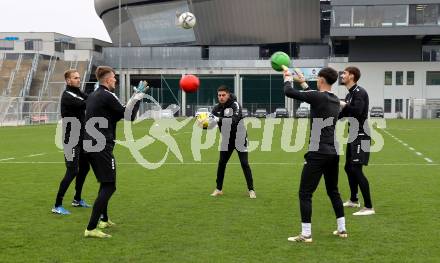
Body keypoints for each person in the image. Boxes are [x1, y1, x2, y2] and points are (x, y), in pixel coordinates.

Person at [283, 67, 347, 243]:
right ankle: (342, 229)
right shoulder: (334, 99)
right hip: (333, 151)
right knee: (333, 191)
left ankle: (306, 234)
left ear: (321, 80)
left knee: (305, 193)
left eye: (317, 78)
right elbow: (315, 96)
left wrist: (287, 77)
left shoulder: (318, 97)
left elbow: (288, 92)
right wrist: (303, 82)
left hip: (317, 152)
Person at [83, 66, 147, 238]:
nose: (115, 81)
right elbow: (129, 116)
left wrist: (134, 98)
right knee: (110, 186)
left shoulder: (94, 95)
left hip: (89, 144)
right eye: (113, 78)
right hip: (100, 145)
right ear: (107, 79)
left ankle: (103, 219)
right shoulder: (107, 95)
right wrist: (138, 97)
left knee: (104, 184)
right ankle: (91, 228)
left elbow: (119, 112)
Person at [52, 69, 91, 215]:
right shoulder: (68, 96)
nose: (78, 80)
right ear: (68, 80)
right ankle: (57, 205)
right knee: (73, 170)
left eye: (79, 77)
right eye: (75, 78)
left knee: (85, 167)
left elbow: (89, 98)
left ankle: (77, 199)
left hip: (81, 137)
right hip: (71, 139)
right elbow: (87, 103)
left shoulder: (77, 92)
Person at [339, 66, 375, 216]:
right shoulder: (349, 95)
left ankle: (369, 207)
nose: (342, 75)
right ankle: (354, 200)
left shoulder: (360, 92)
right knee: (348, 167)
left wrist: (343, 104)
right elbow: (343, 114)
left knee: (356, 169)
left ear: (352, 76)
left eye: (345, 73)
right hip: (353, 134)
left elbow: (357, 111)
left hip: (361, 134)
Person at [209, 85, 256, 199]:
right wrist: (203, 121)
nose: (221, 97)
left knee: (244, 163)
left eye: (223, 95)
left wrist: (218, 119)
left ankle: (251, 190)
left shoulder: (235, 105)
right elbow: (211, 125)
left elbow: (234, 120)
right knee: (221, 163)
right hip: (226, 140)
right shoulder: (216, 108)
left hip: (240, 138)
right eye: (219, 95)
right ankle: (218, 189)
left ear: (228, 95)